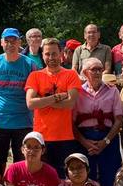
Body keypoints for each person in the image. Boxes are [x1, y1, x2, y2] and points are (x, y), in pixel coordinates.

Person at [73, 57, 123, 186]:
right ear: (85, 72)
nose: (96, 72)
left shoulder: (112, 91)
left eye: (99, 69)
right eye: (92, 69)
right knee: (86, 180)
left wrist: (106, 141)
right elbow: (71, 122)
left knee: (110, 180)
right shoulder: (77, 92)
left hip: (107, 139)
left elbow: (118, 119)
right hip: (84, 139)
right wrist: (84, 142)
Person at [0, 28, 38, 177]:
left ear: (20, 42)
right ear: (1, 42)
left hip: (23, 121)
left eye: (14, 41)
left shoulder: (30, 64)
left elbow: (34, 92)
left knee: (22, 163)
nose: (10, 44)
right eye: (7, 41)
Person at [25, 38, 82, 177]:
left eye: (54, 53)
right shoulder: (35, 76)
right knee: (43, 178)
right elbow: (30, 103)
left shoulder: (71, 75)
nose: (51, 57)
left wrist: (42, 100)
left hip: (65, 137)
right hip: (42, 138)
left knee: (64, 178)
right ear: (42, 55)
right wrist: (56, 97)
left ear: (61, 53)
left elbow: (70, 104)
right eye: (47, 54)